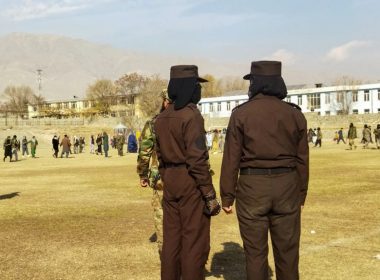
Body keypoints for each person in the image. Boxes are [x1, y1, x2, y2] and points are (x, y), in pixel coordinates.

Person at [220, 61, 309, 280]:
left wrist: (227, 196)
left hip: (252, 188)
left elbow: (231, 158)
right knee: (288, 254)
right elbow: (302, 159)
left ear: (256, 83)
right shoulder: (294, 114)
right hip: (287, 186)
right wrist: (301, 192)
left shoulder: (241, 114)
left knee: (255, 254)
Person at [154, 65, 220, 280]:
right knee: (194, 241)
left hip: (170, 181)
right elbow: (197, 159)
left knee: (172, 240)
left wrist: (167, 176)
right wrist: (209, 194)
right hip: (190, 182)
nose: (198, 90)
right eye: (196, 85)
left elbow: (160, 156)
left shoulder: (162, 117)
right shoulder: (191, 116)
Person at [137, 89, 171, 257]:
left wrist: (143, 174)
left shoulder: (153, 123)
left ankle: (165, 254)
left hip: (160, 178)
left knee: (161, 215)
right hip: (186, 179)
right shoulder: (190, 119)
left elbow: (144, 152)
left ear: (165, 101)